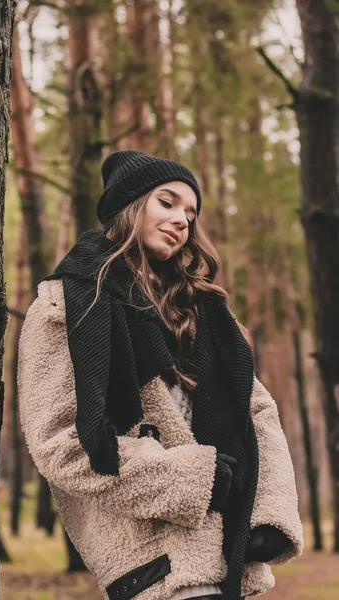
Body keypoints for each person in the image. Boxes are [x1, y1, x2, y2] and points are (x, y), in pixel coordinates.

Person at [17, 150, 304, 600]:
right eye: (166, 203)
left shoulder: (200, 312)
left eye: (190, 213)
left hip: (230, 558)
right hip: (154, 566)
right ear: (128, 207)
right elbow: (60, 442)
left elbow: (258, 413)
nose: (182, 221)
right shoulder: (67, 305)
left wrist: (269, 510)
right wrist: (194, 481)